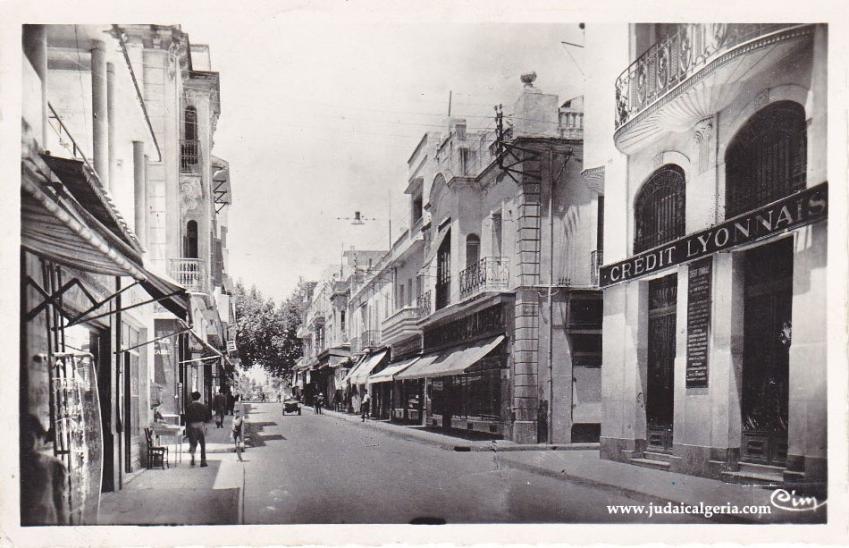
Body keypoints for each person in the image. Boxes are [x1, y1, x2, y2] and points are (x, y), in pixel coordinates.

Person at [185, 391, 211, 467]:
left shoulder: (189, 407)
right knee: (202, 444)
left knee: (192, 443)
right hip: (201, 425)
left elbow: (186, 418)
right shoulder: (203, 406)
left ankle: (193, 457)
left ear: (192, 398)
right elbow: (207, 417)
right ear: (199, 397)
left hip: (192, 425)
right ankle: (203, 461)